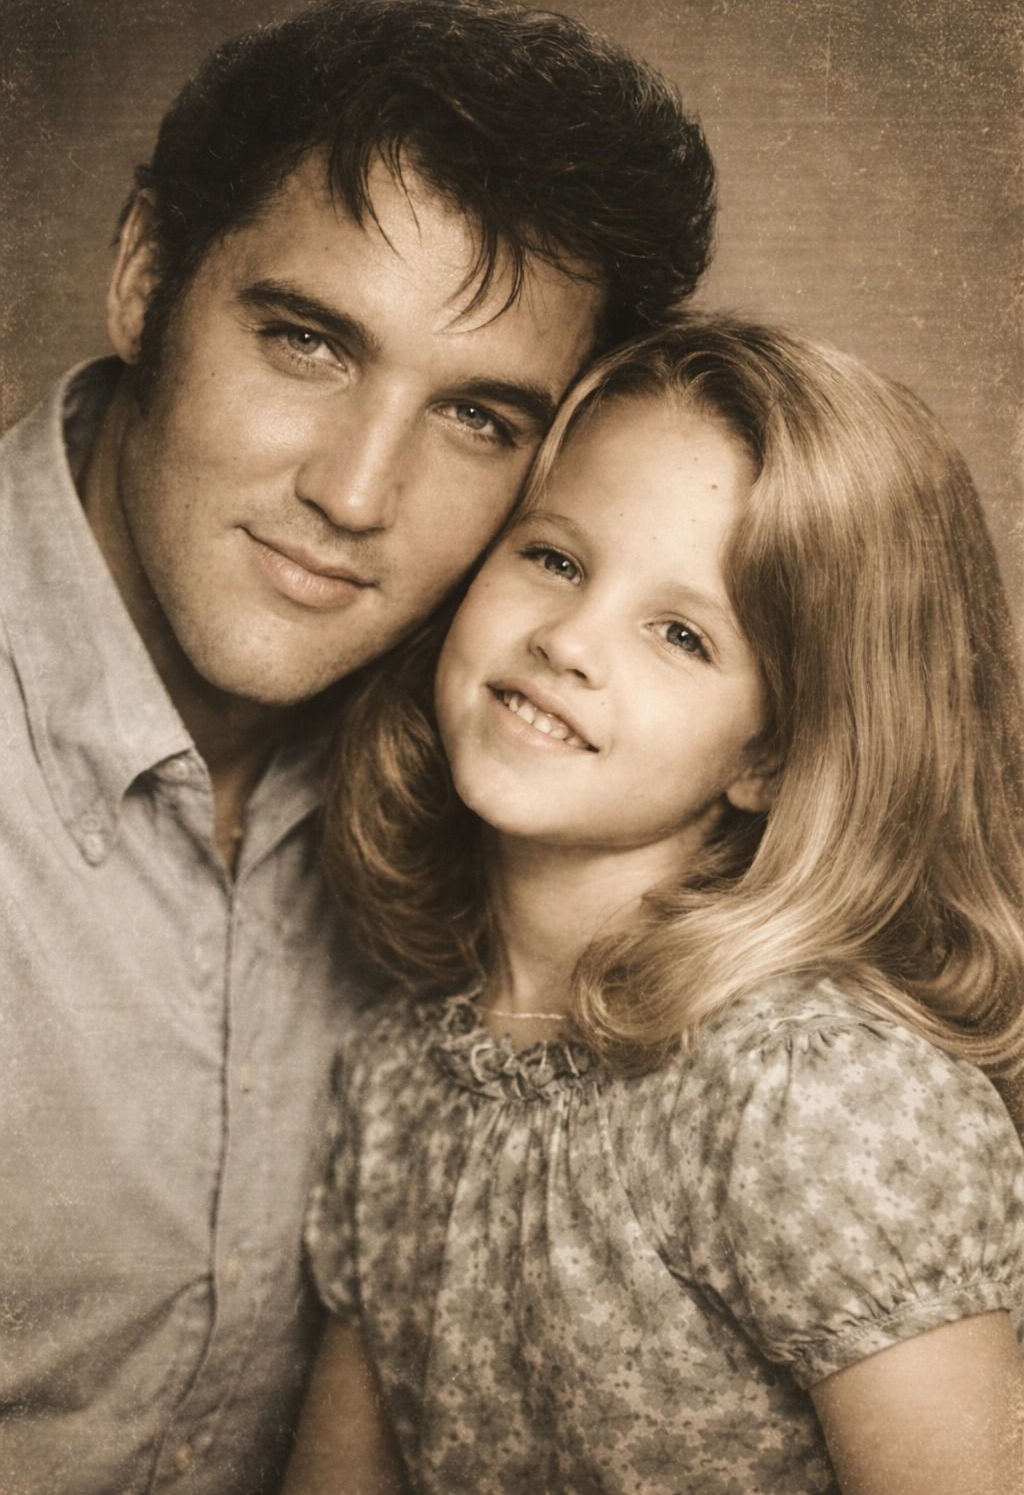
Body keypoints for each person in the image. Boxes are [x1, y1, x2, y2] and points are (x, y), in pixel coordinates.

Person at [0, 0, 717, 1495]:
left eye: (477, 418)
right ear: (144, 278)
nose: (357, 493)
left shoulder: (522, 778)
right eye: (310, 343)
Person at [288, 316, 1024, 1495]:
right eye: (554, 559)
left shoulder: (811, 1104)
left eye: (681, 634)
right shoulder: (397, 1083)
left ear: (773, 755)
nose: (569, 640)